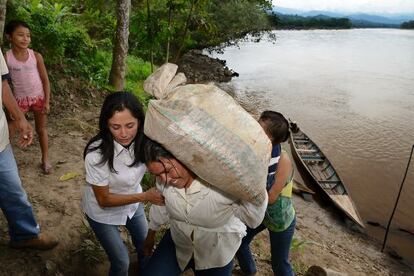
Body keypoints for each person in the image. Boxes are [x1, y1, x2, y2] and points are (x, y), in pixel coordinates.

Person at [141, 138, 268, 276]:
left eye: (167, 170)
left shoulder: (223, 185)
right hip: (179, 243)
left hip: (216, 253)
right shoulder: (163, 182)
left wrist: (256, 186)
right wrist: (150, 235)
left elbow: (253, 220)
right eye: (157, 175)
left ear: (184, 157)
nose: (165, 179)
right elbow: (160, 206)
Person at [81, 92, 164, 276]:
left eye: (130, 125)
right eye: (115, 127)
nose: (124, 133)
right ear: (106, 124)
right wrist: (145, 197)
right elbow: (103, 199)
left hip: (133, 206)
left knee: (146, 246)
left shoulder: (146, 142)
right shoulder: (96, 155)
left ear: (140, 122)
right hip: (102, 212)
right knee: (121, 262)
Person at [0, 49, 58, 250]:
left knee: (14, 191)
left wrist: (21, 119)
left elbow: (2, 84)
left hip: (1, 143)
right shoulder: (9, 56)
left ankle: (25, 234)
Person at [236, 110, 296, 276]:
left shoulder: (283, 160)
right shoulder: (256, 151)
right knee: (239, 241)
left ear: (269, 138)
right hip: (261, 215)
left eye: (258, 128)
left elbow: (270, 198)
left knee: (279, 265)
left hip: (280, 221)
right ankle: (250, 271)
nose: (253, 128)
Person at [4, 20, 52, 174]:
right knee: (9, 131)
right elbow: (3, 84)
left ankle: (45, 159)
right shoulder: (6, 58)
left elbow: (45, 80)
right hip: (19, 101)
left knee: (41, 129)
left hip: (38, 98)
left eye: (28, 36)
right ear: (9, 37)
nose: (25, 39)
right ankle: (6, 161)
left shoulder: (36, 56)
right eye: (20, 35)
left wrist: (47, 101)